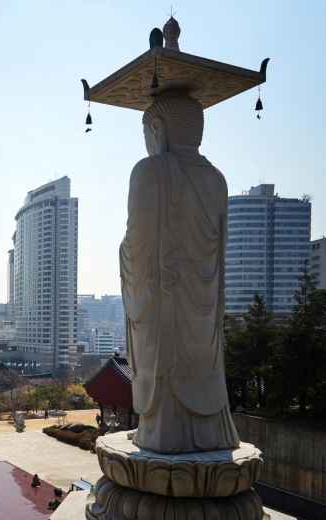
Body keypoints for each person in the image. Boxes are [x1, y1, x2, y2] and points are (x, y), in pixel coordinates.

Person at [121, 90, 240, 453]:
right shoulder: (217, 180)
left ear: (157, 128)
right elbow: (217, 259)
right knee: (201, 361)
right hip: (204, 312)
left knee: (165, 365)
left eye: (146, 135)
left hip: (165, 306)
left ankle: (163, 433)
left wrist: (122, 253)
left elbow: (136, 247)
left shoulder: (149, 171)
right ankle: (210, 434)